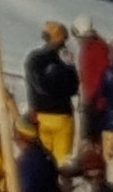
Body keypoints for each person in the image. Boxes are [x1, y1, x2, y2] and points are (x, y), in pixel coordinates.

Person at [25, 22, 80, 166]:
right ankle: (61, 187)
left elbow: (37, 86)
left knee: (42, 163)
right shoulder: (65, 57)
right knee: (63, 163)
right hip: (63, 116)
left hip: (40, 116)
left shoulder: (33, 58)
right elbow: (74, 87)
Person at [75, 16, 110, 145]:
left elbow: (103, 74)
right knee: (89, 137)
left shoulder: (96, 48)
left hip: (96, 101)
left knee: (92, 138)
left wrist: (95, 98)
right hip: (90, 99)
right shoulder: (90, 47)